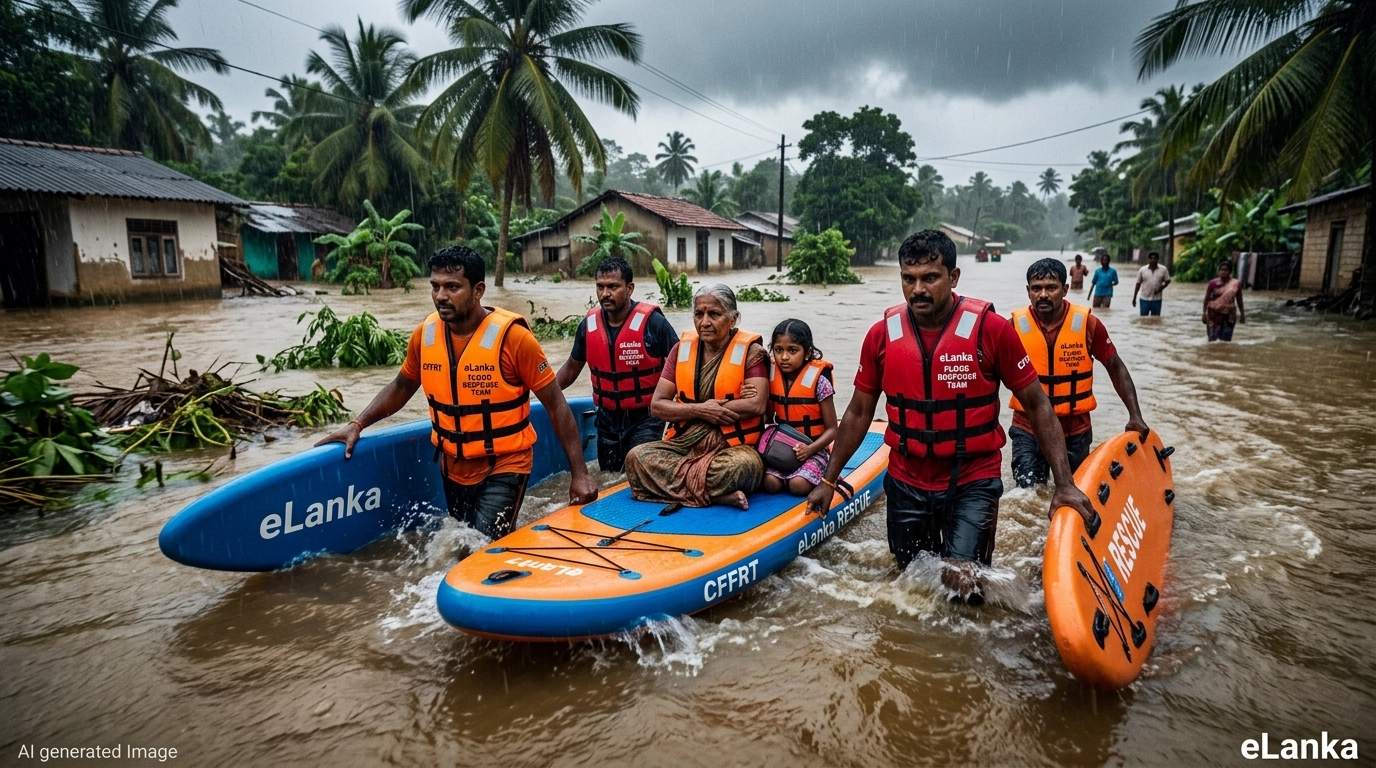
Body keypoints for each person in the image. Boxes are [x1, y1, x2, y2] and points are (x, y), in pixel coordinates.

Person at [805, 230, 1095, 604]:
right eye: (909, 279)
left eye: (930, 278)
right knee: (912, 585)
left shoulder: (992, 330)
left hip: (971, 477)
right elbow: (859, 412)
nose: (917, 290)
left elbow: (1038, 405)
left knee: (963, 586)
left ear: (954, 277)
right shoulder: (881, 335)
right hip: (907, 479)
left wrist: (1064, 483)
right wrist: (828, 482)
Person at [315, 245, 598, 539]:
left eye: (452, 287)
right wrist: (357, 424)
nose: (440, 296)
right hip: (452, 467)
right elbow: (401, 387)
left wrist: (580, 474)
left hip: (505, 464)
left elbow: (555, 404)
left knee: (484, 545)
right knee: (462, 544)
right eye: (435, 286)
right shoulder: (425, 335)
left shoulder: (514, 339)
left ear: (478, 290)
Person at [624, 284, 768, 510]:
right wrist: (702, 410)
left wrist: (719, 409)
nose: (705, 322)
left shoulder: (752, 353)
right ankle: (716, 495)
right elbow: (657, 406)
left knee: (744, 466)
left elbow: (757, 404)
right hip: (685, 443)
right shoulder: (680, 350)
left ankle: (679, 490)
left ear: (734, 318)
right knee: (636, 457)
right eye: (699, 314)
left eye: (714, 314)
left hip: (731, 447)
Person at [1010, 258, 1150, 488]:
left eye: (1051, 288)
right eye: (1036, 288)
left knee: (1079, 489)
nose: (1043, 295)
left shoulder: (1088, 325)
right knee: (1028, 493)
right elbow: (990, 376)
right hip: (1028, 428)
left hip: (1074, 429)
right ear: (1028, 291)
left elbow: (1115, 367)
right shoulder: (1013, 328)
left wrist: (1135, 415)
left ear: (1065, 289)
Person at [555, 257, 676, 473]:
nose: (605, 294)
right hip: (606, 421)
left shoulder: (653, 323)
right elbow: (571, 369)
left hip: (646, 419)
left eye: (613, 287)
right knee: (608, 478)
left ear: (629, 288)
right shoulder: (588, 325)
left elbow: (681, 363)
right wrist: (541, 394)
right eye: (600, 287)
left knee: (640, 473)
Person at [759, 319, 838, 496]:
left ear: (807, 352)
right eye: (779, 350)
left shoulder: (819, 381)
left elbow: (833, 429)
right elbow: (767, 417)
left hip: (814, 449)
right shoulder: (770, 376)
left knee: (798, 486)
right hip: (782, 448)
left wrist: (810, 449)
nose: (784, 357)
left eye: (792, 350)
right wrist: (752, 393)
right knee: (770, 483)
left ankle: (816, 471)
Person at [1204, 260, 1245, 341]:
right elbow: (1207, 298)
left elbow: (1239, 300)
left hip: (1229, 315)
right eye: (1221, 270)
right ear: (1218, 271)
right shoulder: (1212, 283)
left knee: (1226, 340)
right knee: (1212, 339)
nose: (1223, 272)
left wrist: (1242, 314)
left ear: (1230, 272)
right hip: (1213, 314)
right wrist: (1203, 313)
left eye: (1225, 270)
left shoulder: (1235, 284)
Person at [1133, 251, 1172, 316]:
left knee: (1156, 319)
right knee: (1143, 318)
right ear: (1148, 260)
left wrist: (1160, 288)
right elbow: (1138, 284)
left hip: (1157, 299)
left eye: (1155, 258)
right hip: (1144, 299)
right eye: (1151, 258)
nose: (1153, 260)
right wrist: (1134, 298)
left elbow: (1168, 281)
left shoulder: (1163, 269)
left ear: (1157, 259)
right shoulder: (1142, 270)